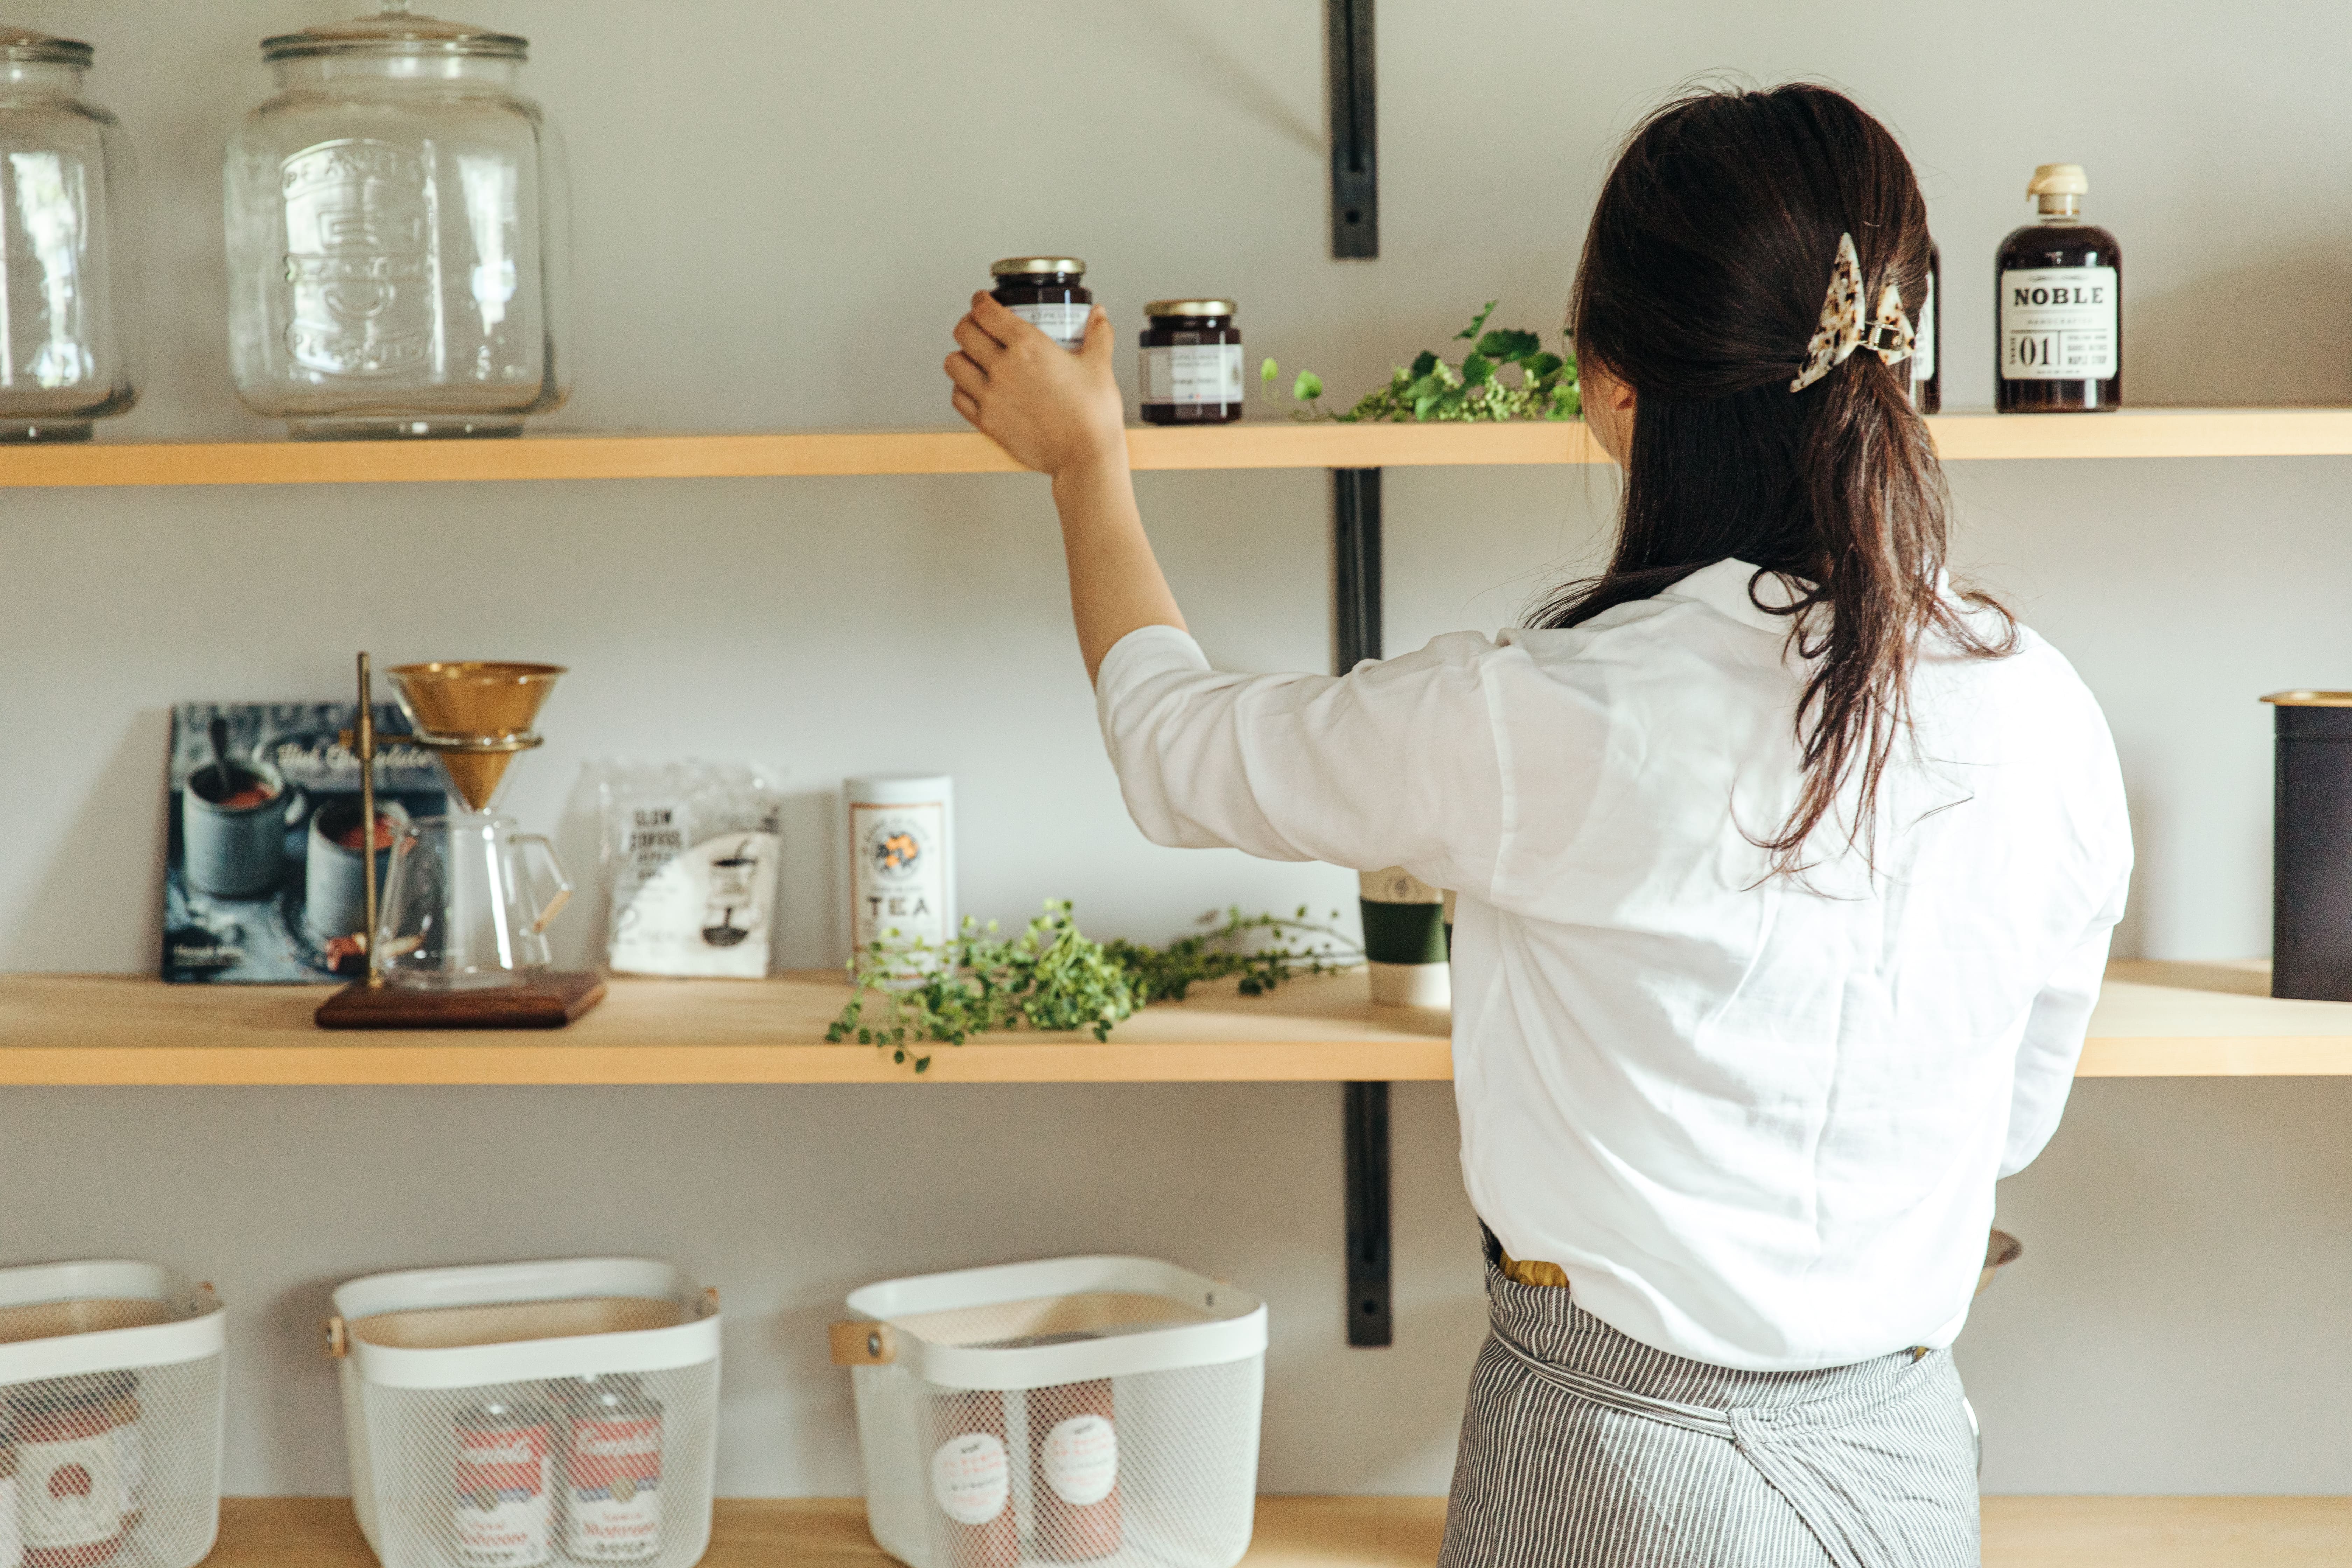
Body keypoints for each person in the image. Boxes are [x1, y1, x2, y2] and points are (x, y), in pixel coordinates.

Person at [944, 82, 2130, 1568]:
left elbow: (1176, 751)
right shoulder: (2048, 712)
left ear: (1613, 383)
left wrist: (1086, 465)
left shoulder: (1550, 719)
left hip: (1616, 1469)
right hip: (1907, 1467)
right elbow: (2011, 1117)